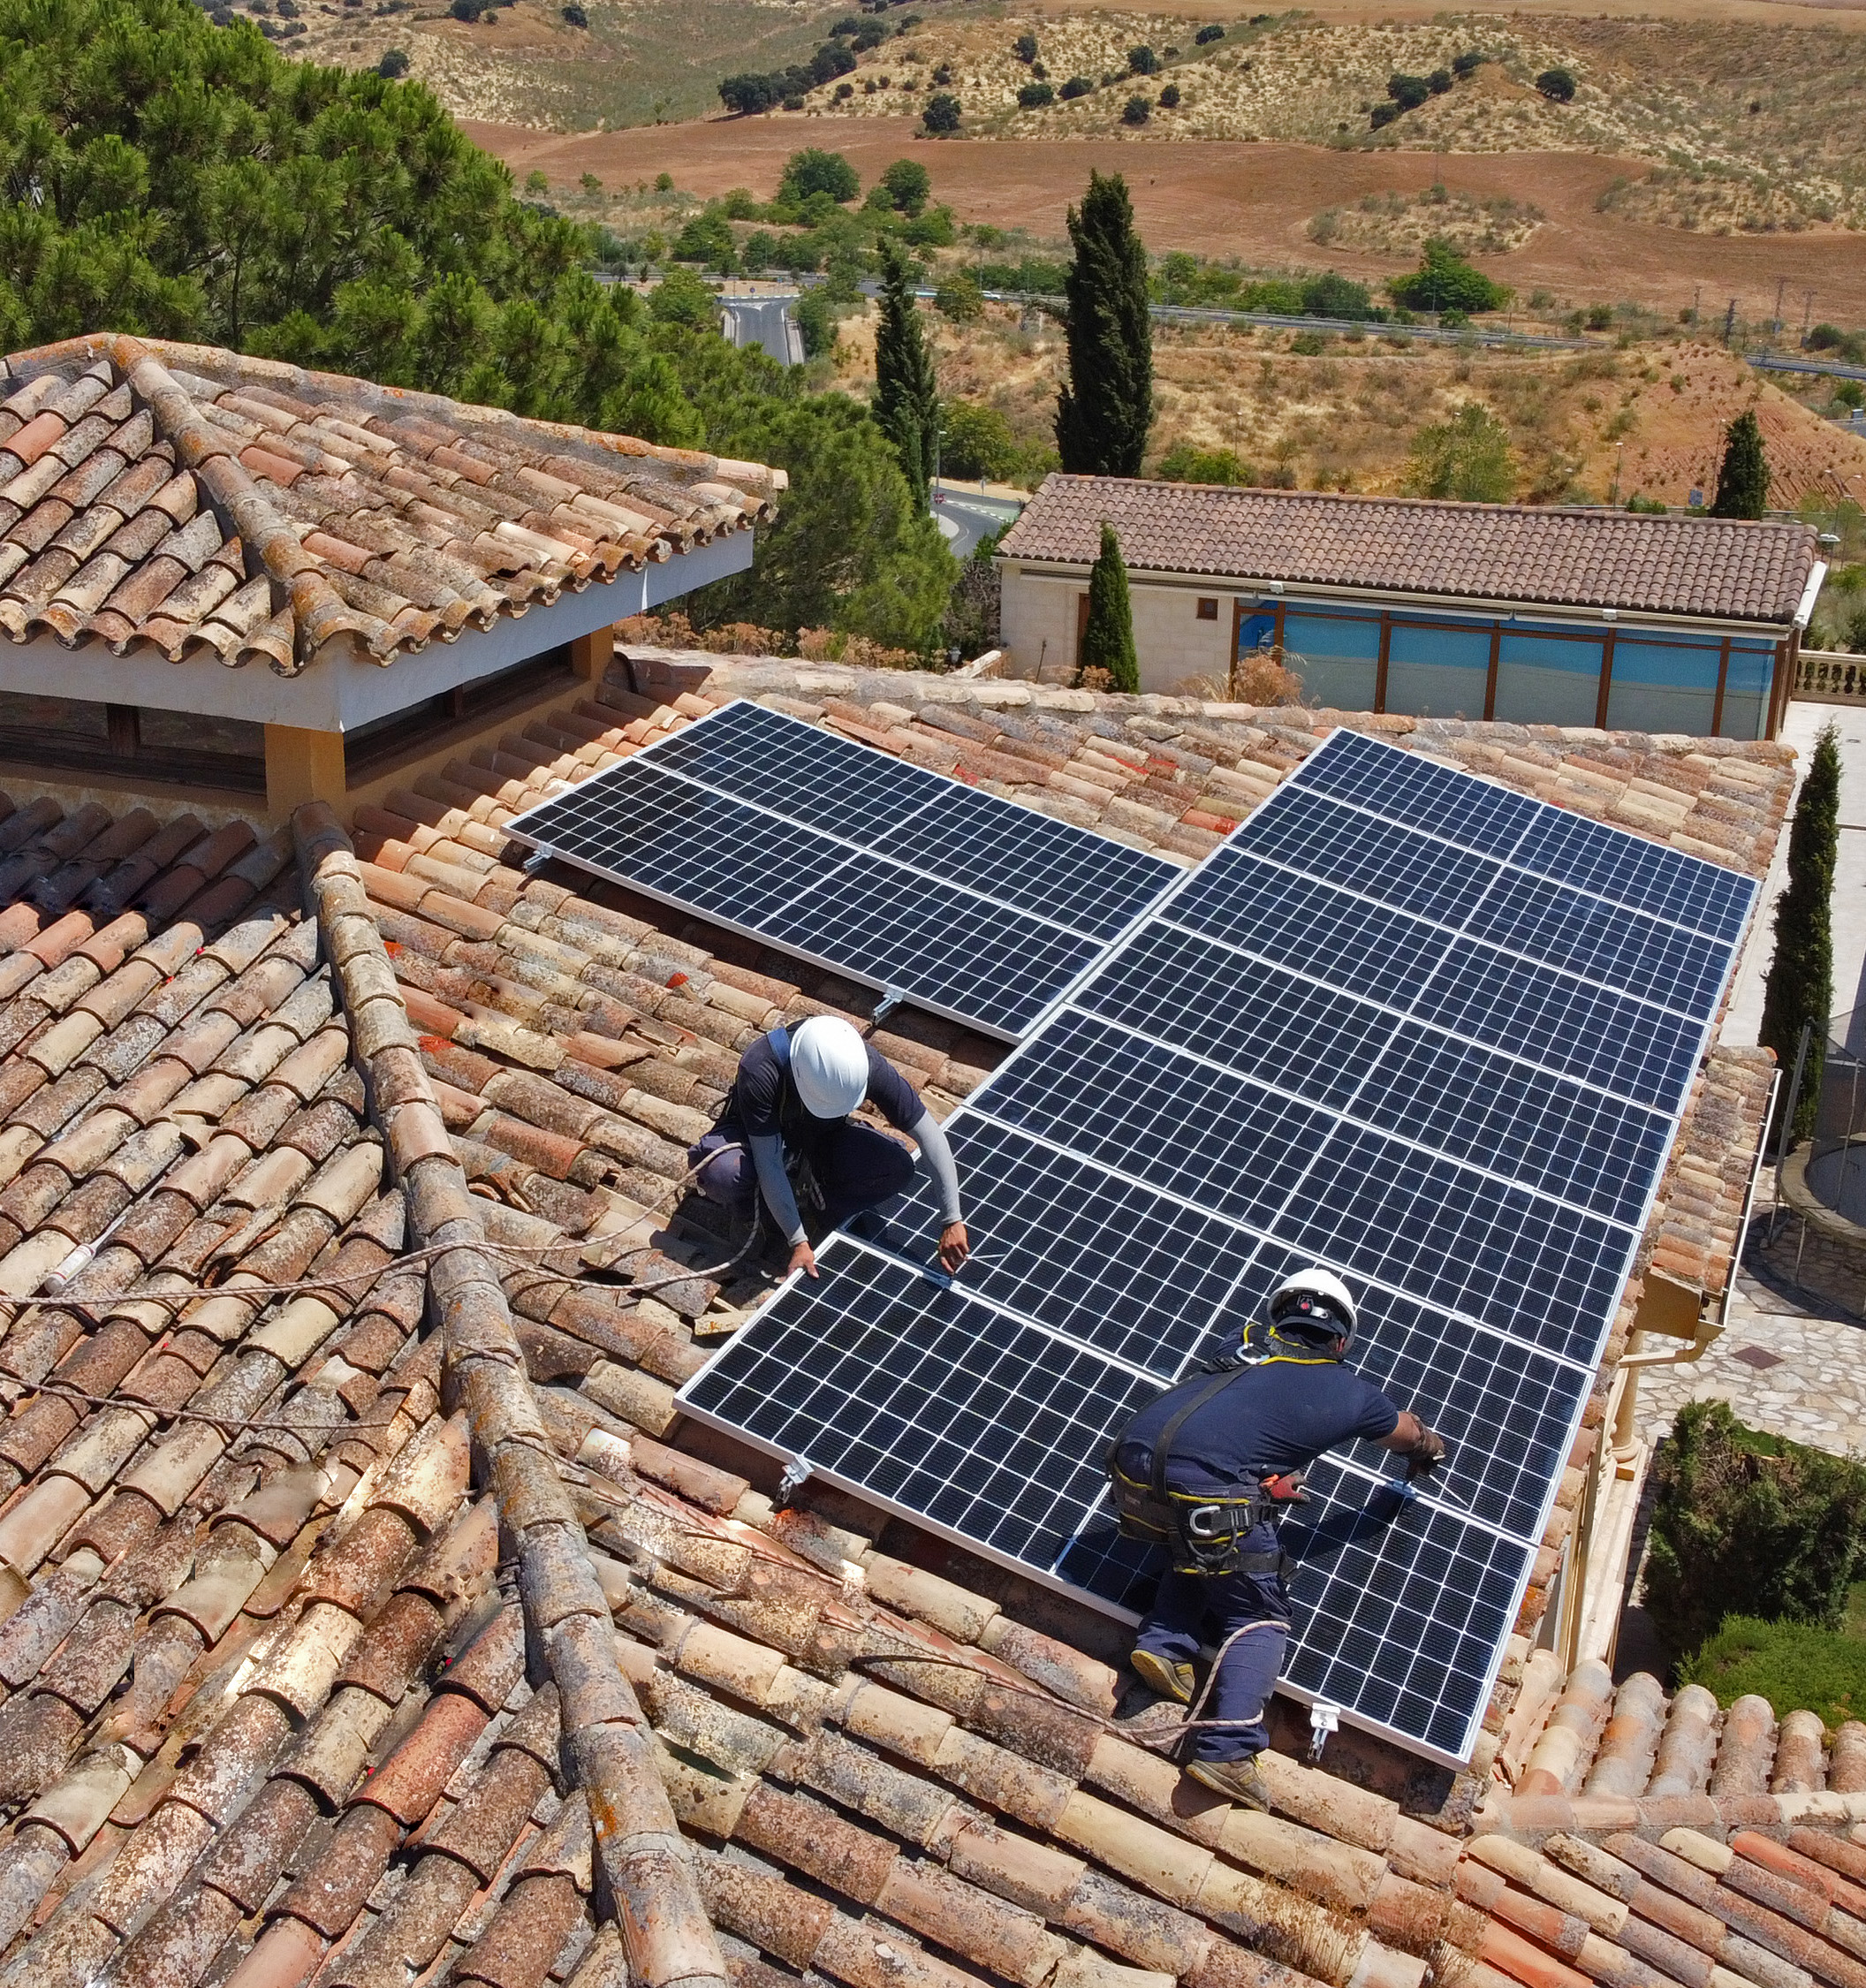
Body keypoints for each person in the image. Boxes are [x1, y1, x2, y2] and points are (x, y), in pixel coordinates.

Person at [1111, 1267, 1444, 1810]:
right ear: (1341, 1340)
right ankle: (1229, 1750)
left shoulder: (1238, 1346)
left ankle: (1166, 1648)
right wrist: (1427, 1444)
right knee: (1257, 1612)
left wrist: (1260, 1485)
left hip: (1132, 1464)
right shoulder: (1352, 1393)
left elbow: (1234, 1420)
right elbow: (1403, 1433)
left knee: (1205, 1546)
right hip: (1203, 1488)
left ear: (1279, 1319)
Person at [689, 1015, 970, 1279]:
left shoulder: (862, 1063)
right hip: (755, 1140)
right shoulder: (761, 1067)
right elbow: (769, 1163)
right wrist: (797, 1241)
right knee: (725, 1172)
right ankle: (752, 1213)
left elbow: (931, 1137)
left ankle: (817, 1206)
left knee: (896, 1168)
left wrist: (952, 1218)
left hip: (818, 1137)